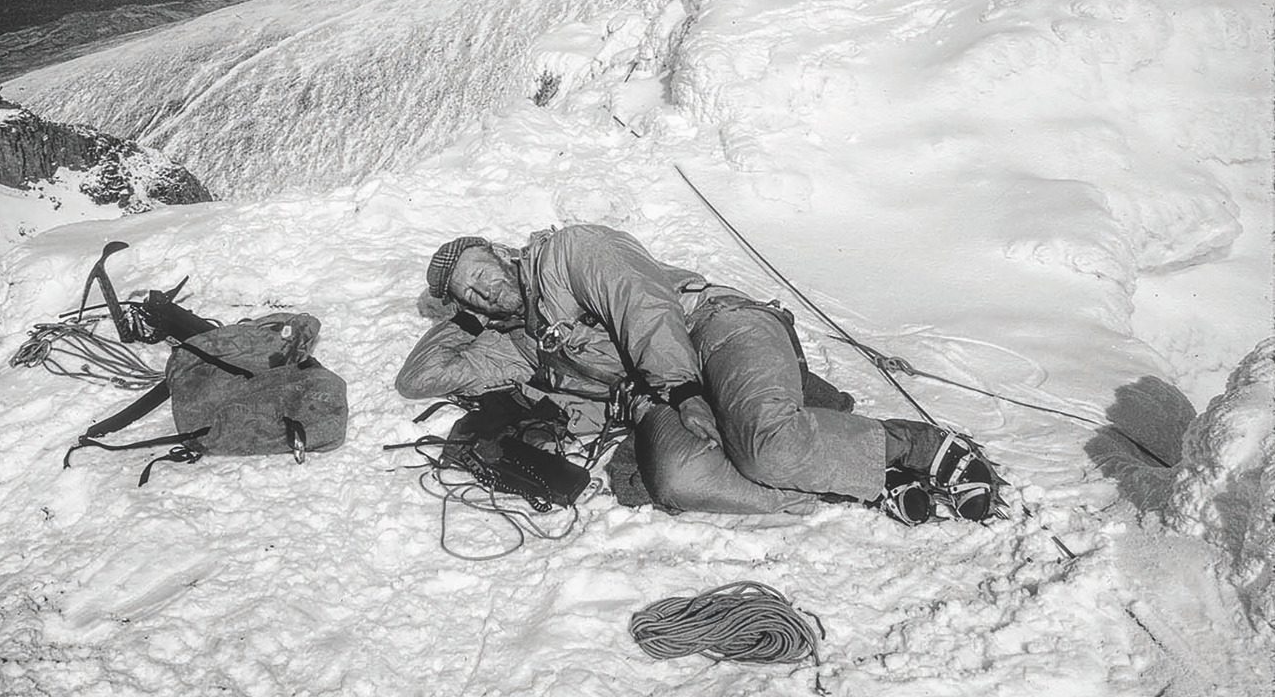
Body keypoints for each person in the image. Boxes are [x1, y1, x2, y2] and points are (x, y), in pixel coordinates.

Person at [396, 224, 1000, 523]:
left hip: (714, 329)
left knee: (765, 446)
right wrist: (468, 320)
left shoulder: (570, 253)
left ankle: (917, 445)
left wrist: (684, 391)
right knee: (678, 482)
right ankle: (862, 474)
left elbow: (646, 309)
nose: (483, 285)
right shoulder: (518, 343)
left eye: (482, 268)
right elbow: (419, 379)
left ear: (502, 252)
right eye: (469, 290)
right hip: (662, 394)